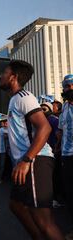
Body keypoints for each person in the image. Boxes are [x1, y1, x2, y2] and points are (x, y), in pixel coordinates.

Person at [0, 60, 63, 239]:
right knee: (17, 205)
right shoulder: (15, 99)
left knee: (44, 221)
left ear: (13, 77)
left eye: (4, 72)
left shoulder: (24, 97)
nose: (0, 75)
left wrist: (27, 160)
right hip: (25, 162)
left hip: (35, 161)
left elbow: (45, 127)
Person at [57, 74, 73, 239]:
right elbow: (61, 131)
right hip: (67, 156)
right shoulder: (65, 108)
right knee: (70, 193)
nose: (66, 89)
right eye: (65, 87)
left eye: (69, 86)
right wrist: (57, 147)